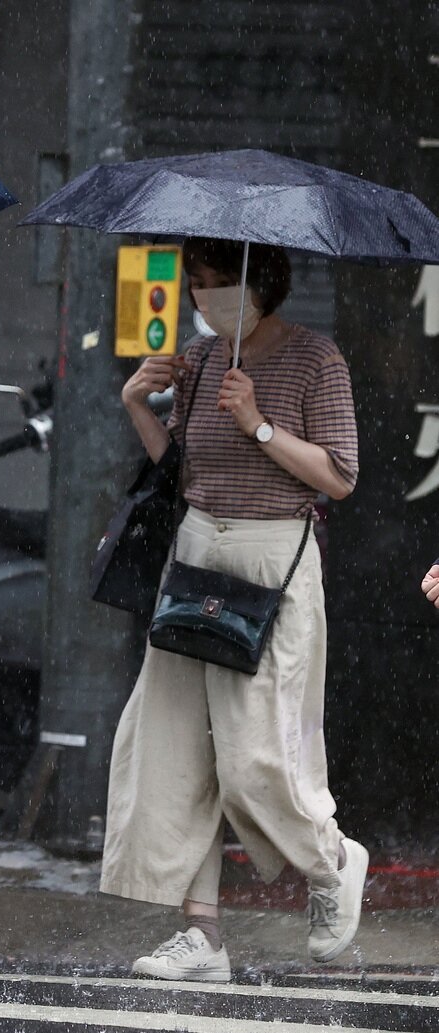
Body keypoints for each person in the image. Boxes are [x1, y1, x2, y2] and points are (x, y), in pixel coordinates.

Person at [102, 237, 367, 982]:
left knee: (256, 756)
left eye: (220, 282)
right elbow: (180, 467)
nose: (205, 297)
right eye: (197, 283)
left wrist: (258, 422)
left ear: (262, 282)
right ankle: (201, 935)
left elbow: (339, 476)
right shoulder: (201, 356)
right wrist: (137, 402)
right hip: (195, 554)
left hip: (271, 558)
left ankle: (332, 861)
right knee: (174, 749)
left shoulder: (316, 359)